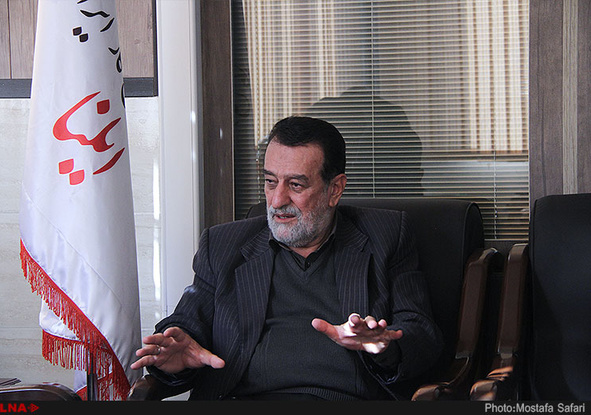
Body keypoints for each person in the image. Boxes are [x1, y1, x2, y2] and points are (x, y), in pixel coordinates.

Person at [131, 116, 443, 400]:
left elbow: (422, 334)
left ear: (335, 189)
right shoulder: (224, 245)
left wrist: (385, 347)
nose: (277, 200)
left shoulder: (386, 237)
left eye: (295, 185)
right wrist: (174, 352)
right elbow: (186, 326)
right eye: (270, 181)